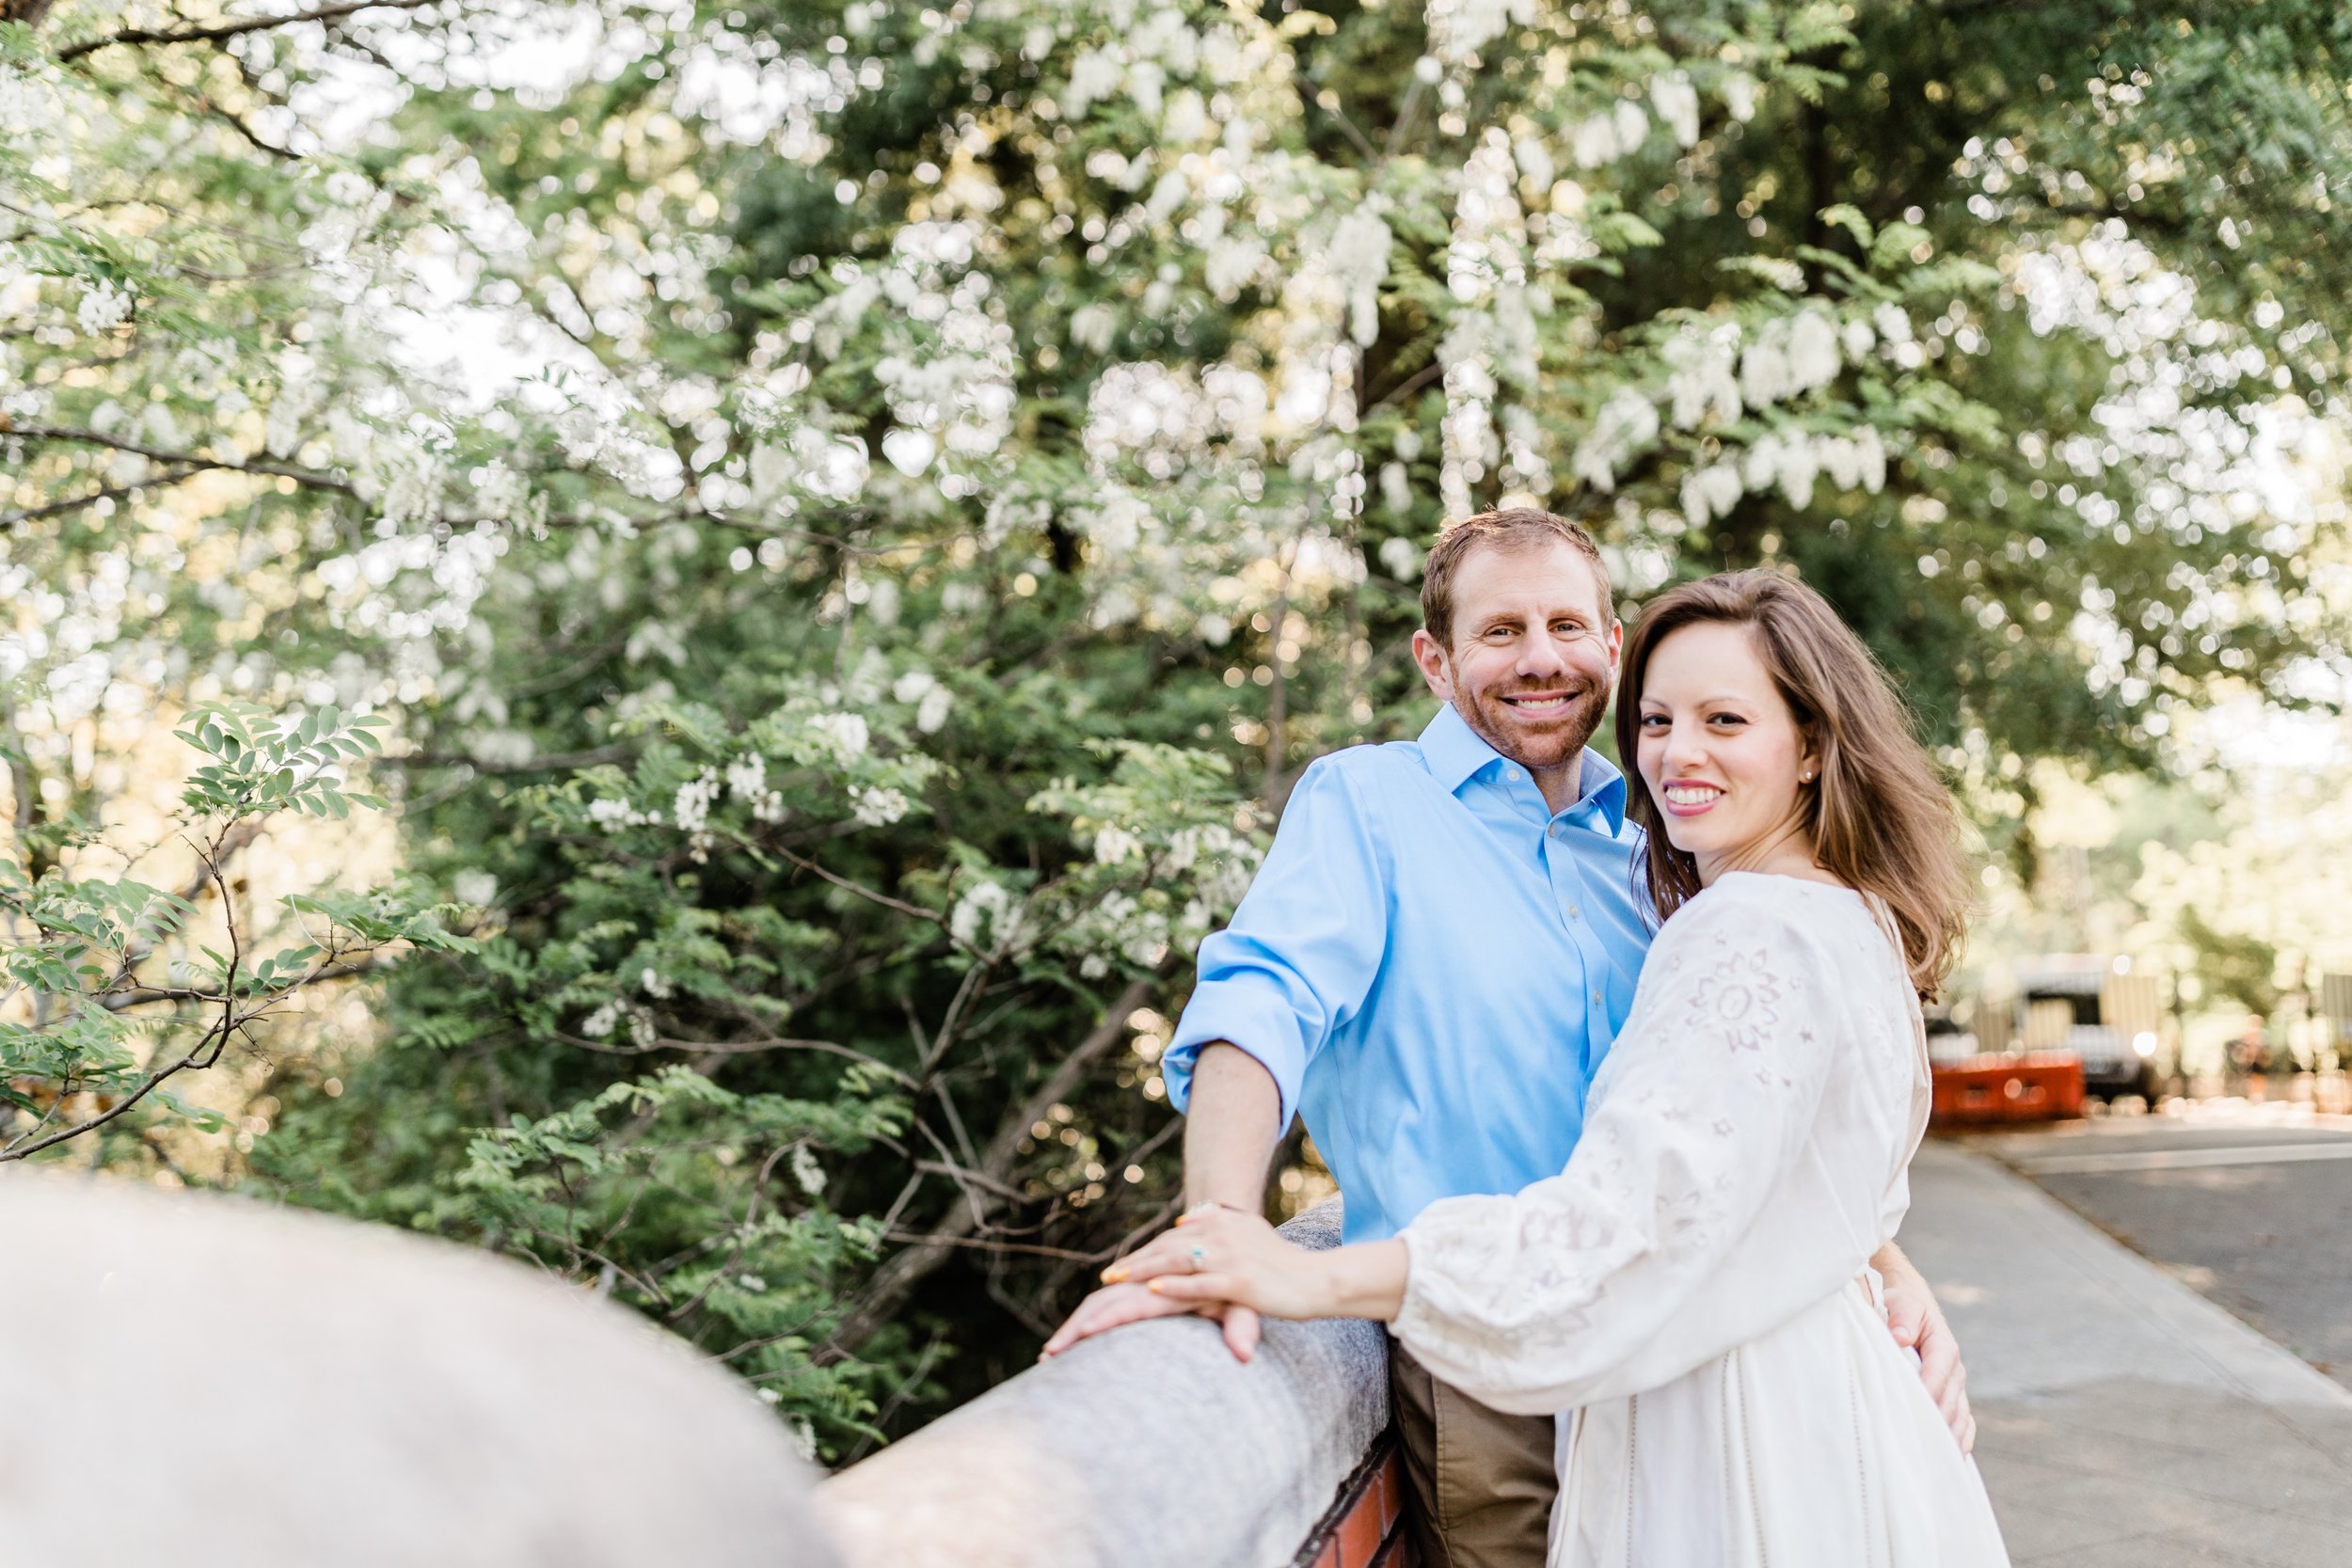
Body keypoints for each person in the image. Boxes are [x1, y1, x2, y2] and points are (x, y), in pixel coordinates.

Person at [1043, 515, 1972, 1567]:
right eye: (1500, 630)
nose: (1540, 656)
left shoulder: (1668, 849)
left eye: (1566, 622)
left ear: (1610, 648)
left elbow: (1742, 1112)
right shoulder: (1370, 802)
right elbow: (1261, 1005)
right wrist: (1222, 1221)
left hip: (1686, 1355)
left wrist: (1876, 1253)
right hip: (1478, 1350)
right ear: (1435, 660)